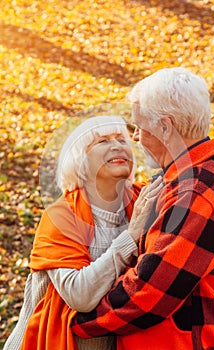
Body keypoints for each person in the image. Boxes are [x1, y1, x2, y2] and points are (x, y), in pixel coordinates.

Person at [71, 68, 214, 350]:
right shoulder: (192, 176)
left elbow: (147, 295)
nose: (135, 137)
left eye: (139, 127)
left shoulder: (195, 194)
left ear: (165, 127)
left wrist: (76, 321)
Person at [3, 115, 163, 350]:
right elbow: (80, 294)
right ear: (81, 160)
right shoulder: (60, 216)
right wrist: (130, 236)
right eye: (103, 141)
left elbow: (190, 180)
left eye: (121, 139)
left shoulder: (144, 198)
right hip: (44, 343)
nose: (117, 145)